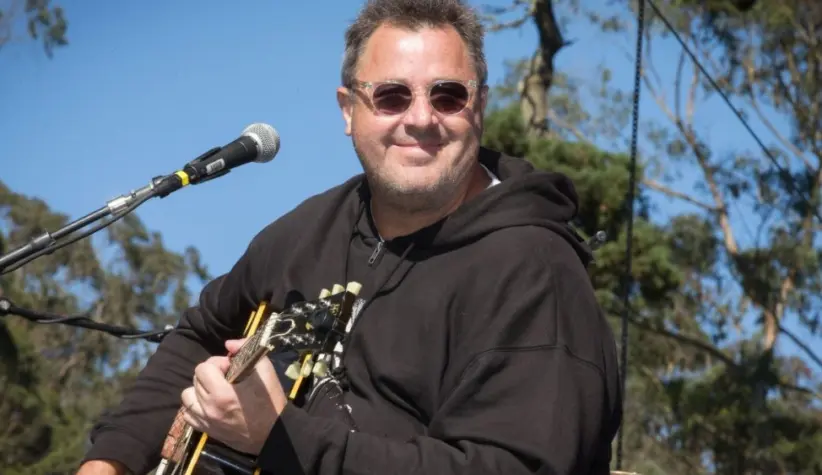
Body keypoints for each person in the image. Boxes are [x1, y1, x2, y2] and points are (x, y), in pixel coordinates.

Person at [77, 0, 622, 473]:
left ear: (478, 107)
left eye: (448, 95)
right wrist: (112, 458)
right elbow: (201, 333)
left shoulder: (534, 272)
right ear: (348, 110)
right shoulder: (309, 231)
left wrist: (281, 437)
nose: (420, 118)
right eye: (391, 96)